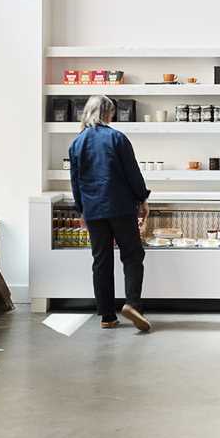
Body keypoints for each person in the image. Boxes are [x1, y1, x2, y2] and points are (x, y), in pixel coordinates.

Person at [68, 94, 153, 332]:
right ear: (108, 113)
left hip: (93, 210)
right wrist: (142, 198)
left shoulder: (77, 143)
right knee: (132, 255)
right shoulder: (117, 138)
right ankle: (132, 305)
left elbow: (75, 182)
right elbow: (132, 174)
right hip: (120, 207)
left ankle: (107, 316)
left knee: (101, 260)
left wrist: (81, 210)